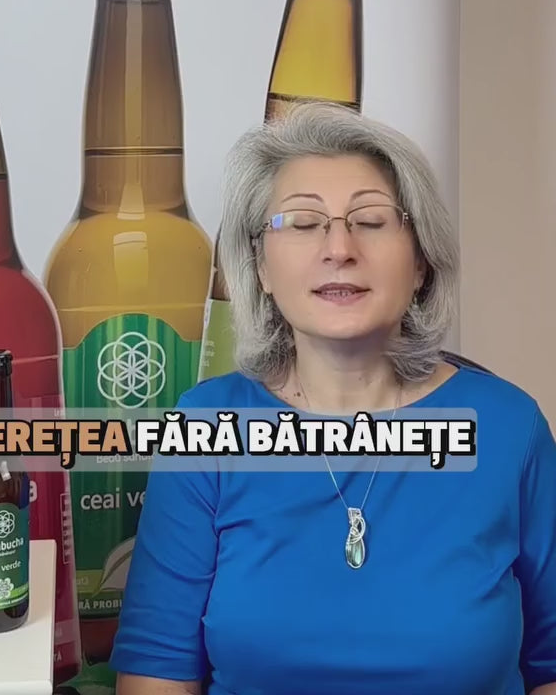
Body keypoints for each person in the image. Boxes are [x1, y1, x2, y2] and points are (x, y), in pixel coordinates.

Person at [111, 101, 556, 695]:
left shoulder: (509, 428)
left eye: (371, 221)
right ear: (260, 268)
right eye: (302, 222)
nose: (339, 247)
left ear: (420, 261)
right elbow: (157, 669)